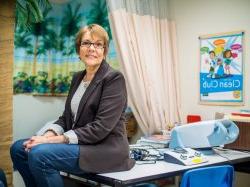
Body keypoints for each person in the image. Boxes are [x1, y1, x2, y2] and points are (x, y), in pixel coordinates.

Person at [10, 24, 135, 187]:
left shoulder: (113, 78)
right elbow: (66, 119)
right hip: (83, 144)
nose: (92, 48)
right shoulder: (78, 78)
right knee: (19, 148)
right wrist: (45, 136)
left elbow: (101, 128)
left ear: (104, 51)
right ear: (79, 50)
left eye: (98, 44)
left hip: (106, 150)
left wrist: (53, 141)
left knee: (40, 154)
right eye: (86, 43)